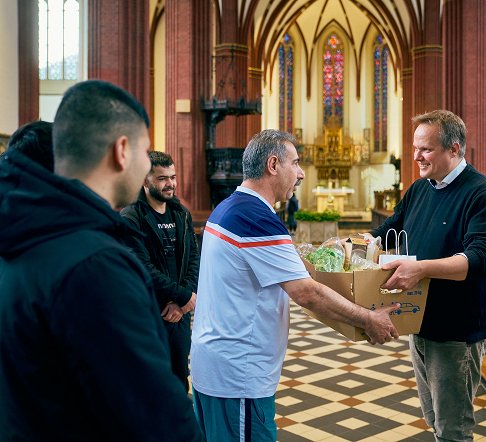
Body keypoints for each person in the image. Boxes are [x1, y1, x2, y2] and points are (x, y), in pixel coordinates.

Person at [0, 80, 204, 441]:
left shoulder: (24, 230)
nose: (146, 165)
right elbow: (158, 418)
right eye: (144, 151)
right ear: (122, 150)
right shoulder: (96, 265)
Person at [190, 129, 400, 441]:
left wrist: (333, 254)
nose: (301, 173)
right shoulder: (256, 219)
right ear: (273, 165)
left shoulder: (229, 208)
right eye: (296, 163)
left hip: (216, 365)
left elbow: (290, 266)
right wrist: (367, 318)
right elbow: (306, 292)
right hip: (239, 376)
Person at [370, 110, 486, 441]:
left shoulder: (481, 193)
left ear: (454, 149)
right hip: (421, 322)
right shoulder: (420, 189)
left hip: (457, 330)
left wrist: (421, 268)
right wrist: (363, 243)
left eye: (425, 149)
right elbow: (389, 229)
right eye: (415, 147)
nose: (416, 156)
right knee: (434, 416)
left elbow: (482, 259)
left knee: (453, 427)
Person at [121, 151, 199, 390]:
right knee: (148, 384)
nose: (171, 184)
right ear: (145, 181)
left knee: (178, 379)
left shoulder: (181, 213)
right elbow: (142, 268)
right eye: (163, 178)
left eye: (173, 177)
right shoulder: (131, 217)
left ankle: (176, 428)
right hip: (149, 313)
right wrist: (184, 297)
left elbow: (193, 259)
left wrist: (183, 303)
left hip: (178, 316)